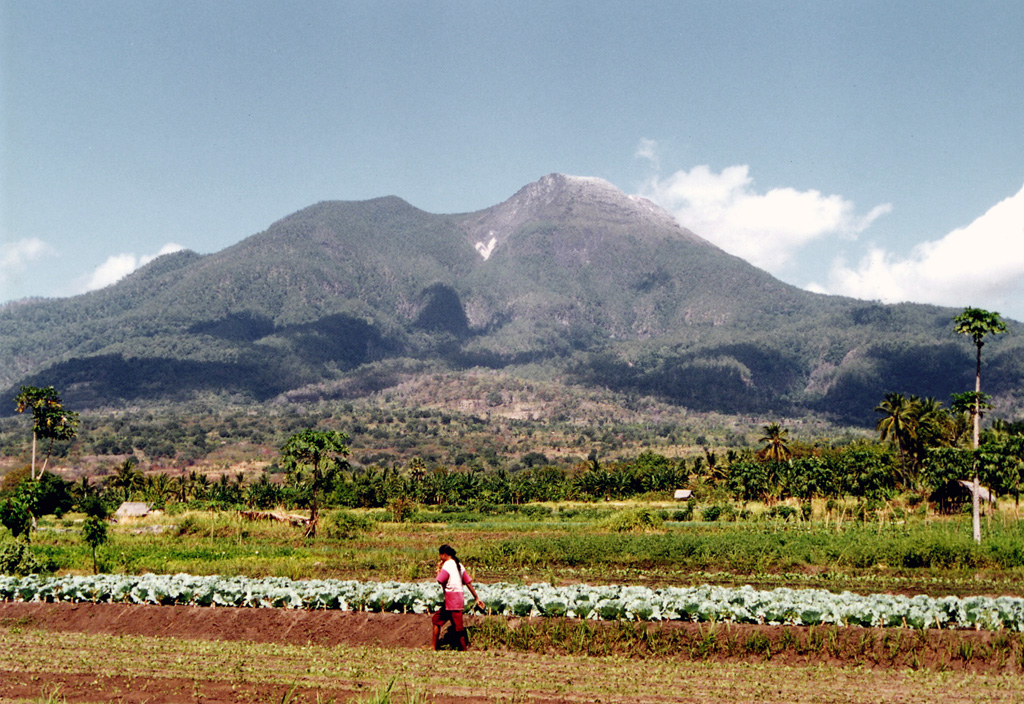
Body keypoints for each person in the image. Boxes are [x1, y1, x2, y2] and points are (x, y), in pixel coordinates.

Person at [431, 544, 484, 651]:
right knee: (441, 620)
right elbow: (468, 582)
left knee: (455, 626)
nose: (440, 558)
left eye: (440, 556)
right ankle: (436, 647)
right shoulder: (459, 565)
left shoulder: (447, 565)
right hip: (458, 599)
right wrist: (476, 597)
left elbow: (440, 580)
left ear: (444, 555)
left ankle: (461, 649)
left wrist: (438, 570)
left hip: (451, 600)